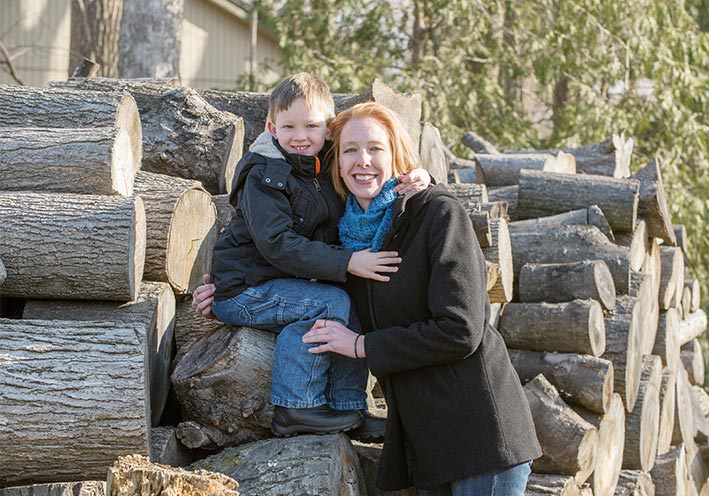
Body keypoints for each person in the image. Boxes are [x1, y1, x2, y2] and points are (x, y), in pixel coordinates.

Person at [302, 102, 542, 495]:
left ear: (397, 154)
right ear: (336, 162)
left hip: (479, 436)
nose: (363, 161)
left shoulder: (437, 214)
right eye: (350, 150)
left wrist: (362, 346)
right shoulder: (345, 241)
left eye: (375, 148)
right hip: (426, 446)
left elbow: (461, 330)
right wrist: (227, 289)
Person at [201, 73, 430, 440]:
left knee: (343, 307)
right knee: (328, 305)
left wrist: (417, 177)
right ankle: (297, 407)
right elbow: (276, 244)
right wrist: (348, 262)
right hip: (245, 288)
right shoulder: (264, 173)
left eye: (311, 125)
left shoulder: (328, 163)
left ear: (329, 130)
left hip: (283, 284)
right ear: (271, 127)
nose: (300, 136)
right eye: (289, 126)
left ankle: (348, 407)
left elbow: (376, 171)